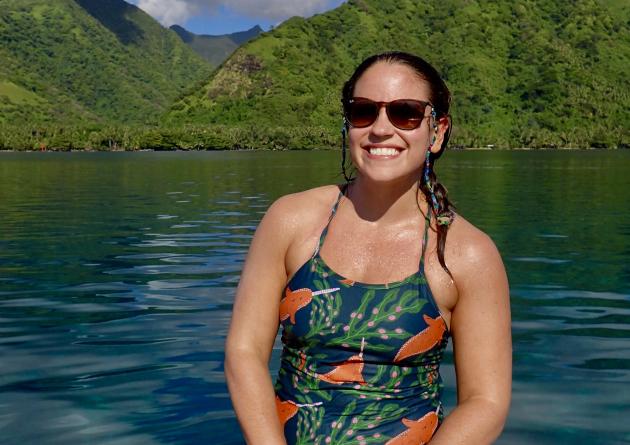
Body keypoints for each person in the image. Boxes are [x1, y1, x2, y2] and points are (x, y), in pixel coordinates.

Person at [225, 51, 512, 445]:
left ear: (438, 131)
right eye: (363, 111)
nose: (381, 128)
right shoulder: (291, 221)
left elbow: (486, 402)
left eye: (405, 113)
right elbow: (244, 352)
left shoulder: (466, 253)